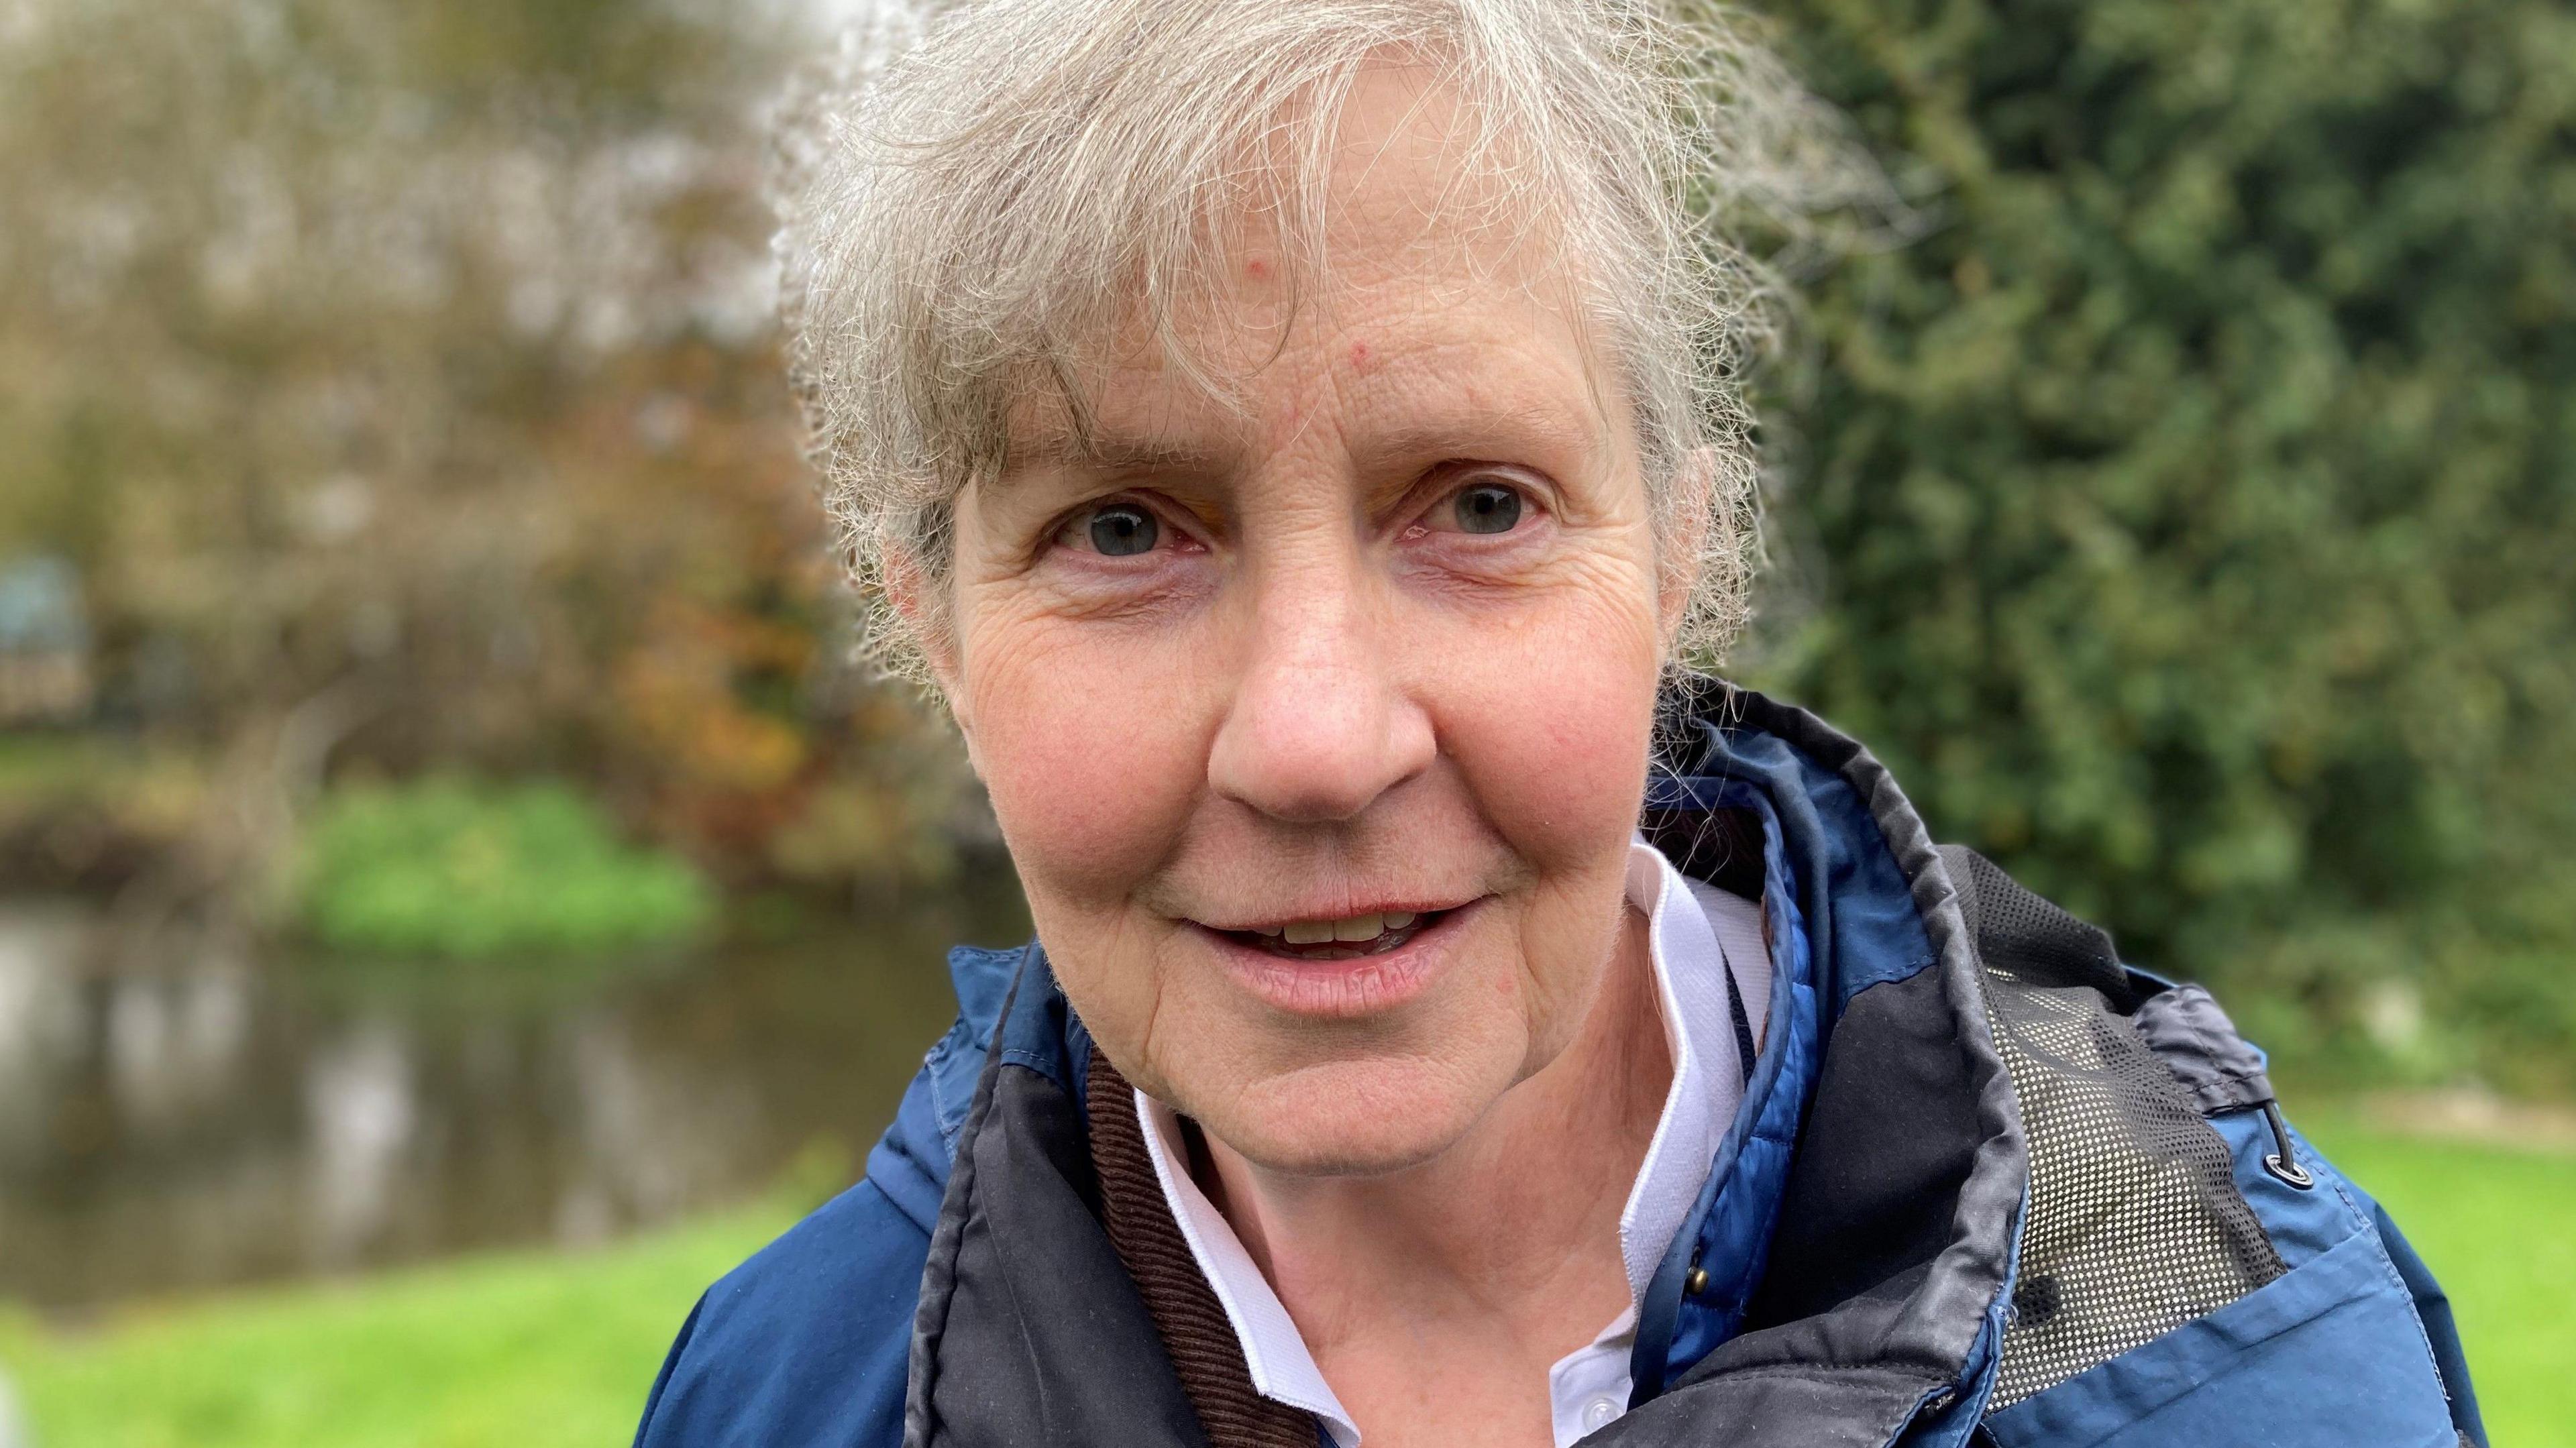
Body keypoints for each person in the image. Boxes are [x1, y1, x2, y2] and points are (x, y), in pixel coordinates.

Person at [635, 1, 2483, 1444]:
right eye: (1122, 530)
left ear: (1682, 549)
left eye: (1483, 506)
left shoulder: (2217, 1340)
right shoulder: (802, 1391)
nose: (1317, 740)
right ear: (933, 622)